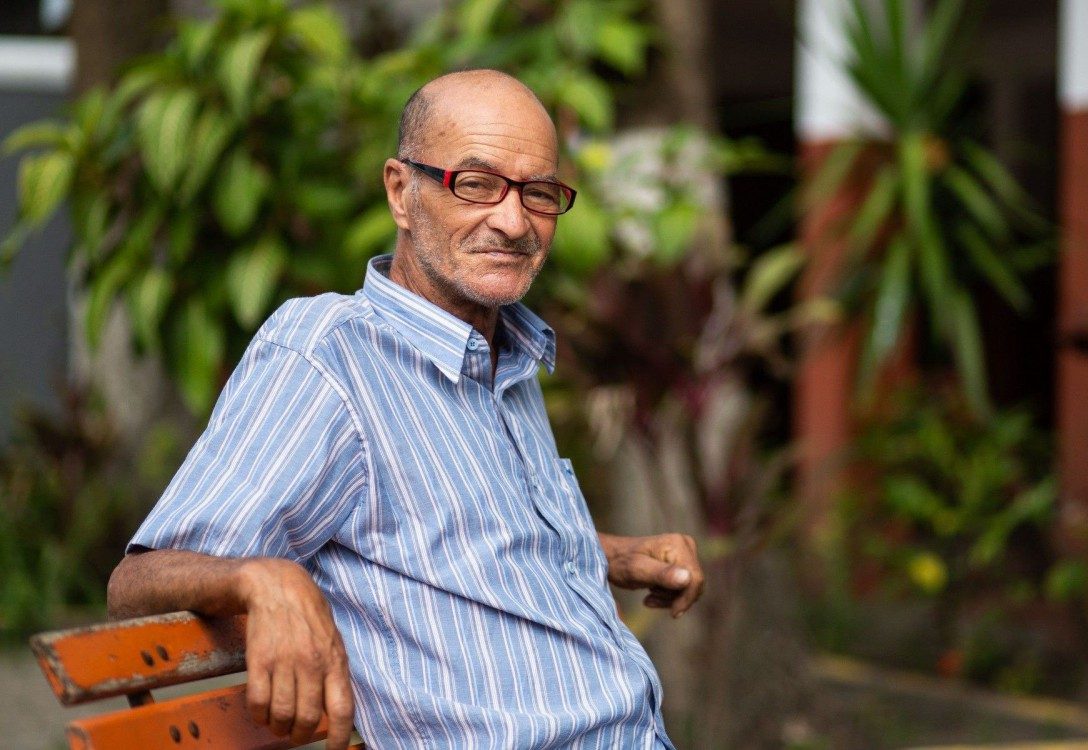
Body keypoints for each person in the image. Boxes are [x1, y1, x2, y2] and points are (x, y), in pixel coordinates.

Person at [107, 69, 704, 749]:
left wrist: (612, 554)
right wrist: (259, 579)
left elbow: (455, 539)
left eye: (537, 193)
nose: (513, 221)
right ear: (400, 191)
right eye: (474, 184)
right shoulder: (329, 357)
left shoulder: (507, 355)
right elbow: (135, 584)